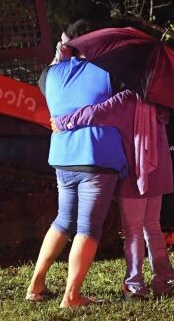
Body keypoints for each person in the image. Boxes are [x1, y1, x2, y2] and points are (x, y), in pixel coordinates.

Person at [26, 19, 128, 307]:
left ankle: (36, 284)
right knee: (88, 228)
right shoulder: (108, 72)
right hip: (96, 157)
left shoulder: (50, 75)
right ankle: (71, 296)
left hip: (62, 158)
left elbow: (51, 85)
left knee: (63, 220)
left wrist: (60, 57)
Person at [51, 89, 174, 300]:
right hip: (158, 174)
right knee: (153, 227)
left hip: (135, 173)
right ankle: (163, 281)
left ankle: (135, 285)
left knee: (133, 232)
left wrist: (62, 122)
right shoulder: (160, 101)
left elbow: (92, 113)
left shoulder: (125, 99)